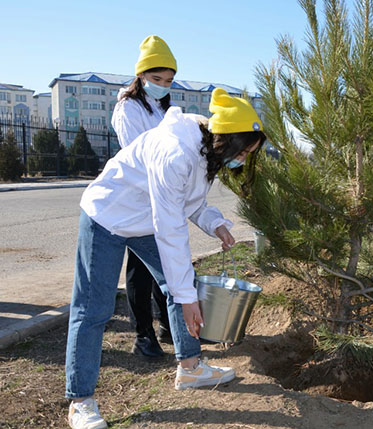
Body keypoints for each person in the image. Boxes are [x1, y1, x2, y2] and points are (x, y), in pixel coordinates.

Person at [65, 88, 266, 429]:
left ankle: (190, 369)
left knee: (180, 283)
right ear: (228, 141)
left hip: (144, 219)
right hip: (108, 217)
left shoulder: (206, 146)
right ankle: (80, 402)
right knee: (93, 308)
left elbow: (192, 201)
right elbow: (170, 227)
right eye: (244, 152)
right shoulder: (175, 151)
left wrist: (214, 222)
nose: (243, 160)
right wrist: (188, 298)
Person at [111, 34, 177, 359]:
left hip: (162, 196)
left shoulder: (163, 107)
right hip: (137, 198)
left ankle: (168, 326)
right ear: (141, 76)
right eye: (156, 79)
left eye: (168, 80)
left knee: (165, 264)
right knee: (140, 268)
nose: (163, 85)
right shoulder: (128, 108)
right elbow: (138, 154)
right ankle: (143, 336)